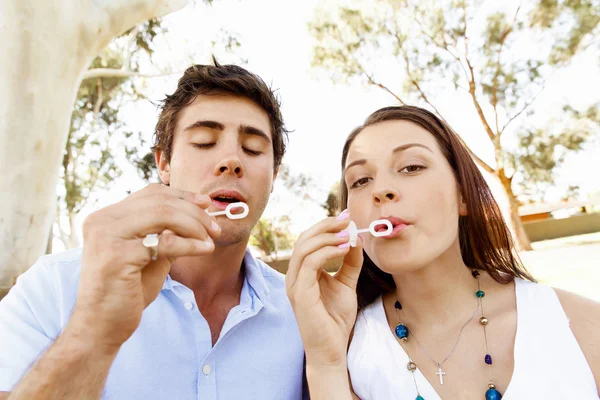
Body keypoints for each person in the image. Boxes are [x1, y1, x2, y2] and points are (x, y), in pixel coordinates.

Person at [0, 60, 307, 400]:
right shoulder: (51, 288)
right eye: (205, 141)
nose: (232, 159)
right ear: (164, 164)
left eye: (252, 148)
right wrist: (96, 329)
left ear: (274, 175)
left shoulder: (303, 310)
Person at [286, 105, 600, 399]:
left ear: (463, 196)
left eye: (411, 167)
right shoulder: (346, 352)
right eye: (361, 180)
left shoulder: (583, 325)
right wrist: (325, 363)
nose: (380, 190)